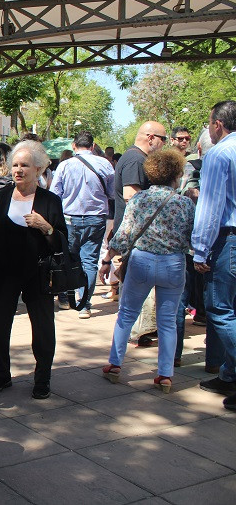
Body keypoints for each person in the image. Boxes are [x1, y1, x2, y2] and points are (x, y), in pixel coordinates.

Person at [0, 140, 67, 399]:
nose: (18, 170)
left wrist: (45, 227)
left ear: (38, 169)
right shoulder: (3, 195)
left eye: (24, 165)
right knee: (0, 327)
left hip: (38, 272)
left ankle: (42, 379)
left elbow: (62, 240)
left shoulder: (50, 201)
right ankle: (2, 375)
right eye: (15, 164)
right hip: (5, 271)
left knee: (42, 328)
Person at [99, 150, 194, 393]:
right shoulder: (184, 203)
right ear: (177, 173)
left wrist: (109, 257)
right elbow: (191, 238)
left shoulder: (139, 200)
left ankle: (115, 364)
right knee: (168, 321)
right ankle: (165, 374)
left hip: (142, 261)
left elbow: (123, 233)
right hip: (173, 263)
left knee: (126, 315)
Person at [192, 100, 236, 411]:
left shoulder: (219, 153)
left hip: (228, 240)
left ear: (217, 124)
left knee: (220, 309)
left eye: (209, 123)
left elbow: (210, 207)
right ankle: (228, 373)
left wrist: (200, 249)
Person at [175, 127, 225, 371]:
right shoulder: (191, 168)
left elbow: (207, 209)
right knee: (218, 304)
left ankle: (175, 357)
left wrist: (200, 249)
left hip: (197, 244)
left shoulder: (198, 166)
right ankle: (215, 362)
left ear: (199, 148)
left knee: (185, 300)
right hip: (211, 244)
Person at [50, 131, 115, 318]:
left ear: (73, 145)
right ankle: (84, 304)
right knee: (89, 261)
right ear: (93, 146)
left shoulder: (64, 166)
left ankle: (65, 297)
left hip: (70, 218)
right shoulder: (105, 164)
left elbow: (55, 194)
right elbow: (111, 193)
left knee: (68, 259)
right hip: (96, 218)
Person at [108, 121, 168, 304]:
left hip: (136, 237)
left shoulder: (136, 158)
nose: (164, 144)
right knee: (133, 297)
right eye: (163, 139)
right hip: (135, 238)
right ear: (151, 138)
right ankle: (131, 331)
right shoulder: (135, 159)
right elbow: (131, 196)